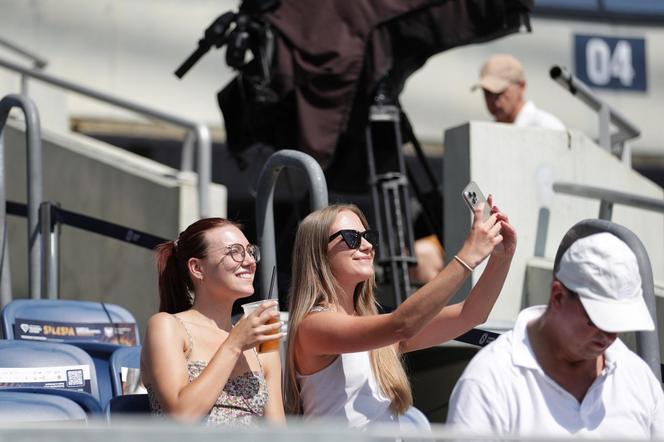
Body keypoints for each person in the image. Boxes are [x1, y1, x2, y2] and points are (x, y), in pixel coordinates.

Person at [284, 200, 516, 428]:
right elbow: (402, 325)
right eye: (351, 237)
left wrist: (501, 257)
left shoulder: (374, 327)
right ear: (318, 252)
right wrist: (467, 256)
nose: (366, 246)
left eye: (368, 237)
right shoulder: (313, 326)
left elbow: (471, 314)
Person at [447, 231, 664, 438]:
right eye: (598, 320)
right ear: (558, 296)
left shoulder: (638, 378)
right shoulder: (488, 381)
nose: (609, 336)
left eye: (619, 324)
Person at [140, 218, 286, 425]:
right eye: (235, 251)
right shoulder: (167, 327)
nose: (250, 261)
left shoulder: (261, 346)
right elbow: (182, 416)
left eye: (250, 251)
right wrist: (234, 344)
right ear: (197, 268)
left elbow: (278, 434)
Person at [472, 54, 565, 130]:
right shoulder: (488, 133)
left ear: (521, 86)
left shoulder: (547, 127)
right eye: (487, 92)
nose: (493, 100)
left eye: (499, 91)